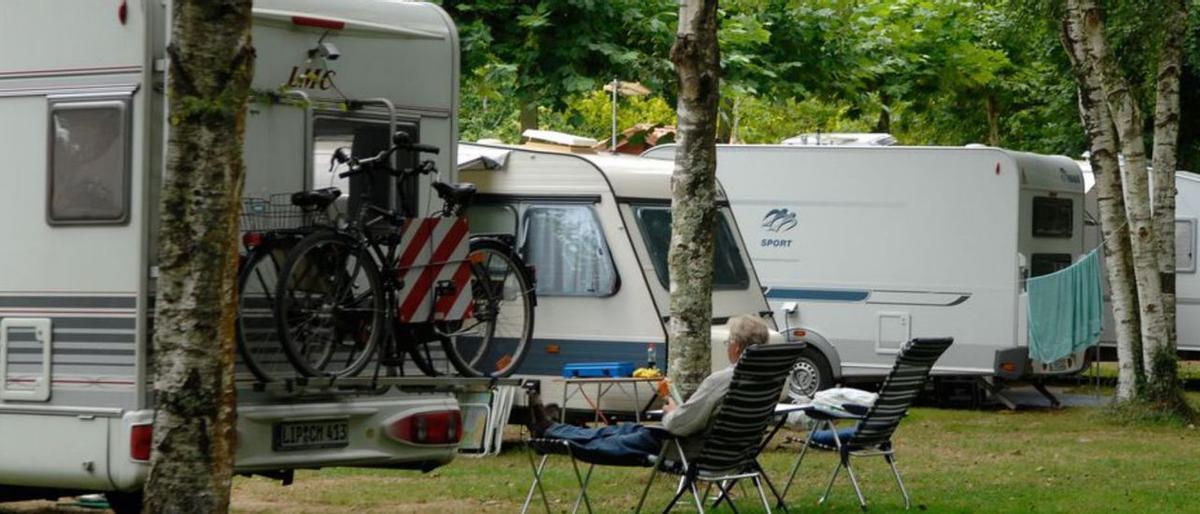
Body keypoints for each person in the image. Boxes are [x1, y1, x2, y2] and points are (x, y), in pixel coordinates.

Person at [526, 314, 772, 461]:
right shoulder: (767, 380)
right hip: (735, 455)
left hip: (687, 450)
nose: (727, 346)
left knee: (610, 440)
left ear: (737, 348)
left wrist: (672, 410)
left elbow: (679, 425)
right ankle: (551, 429)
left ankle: (547, 436)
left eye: (729, 341)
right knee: (624, 430)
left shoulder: (721, 381)